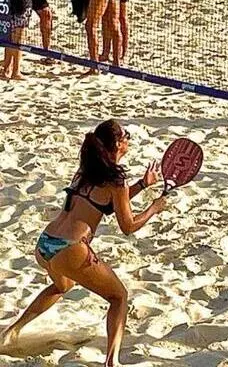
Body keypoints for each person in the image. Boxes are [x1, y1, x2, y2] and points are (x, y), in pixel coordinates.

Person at [0, 120, 167, 367]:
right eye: (127, 136)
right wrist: (154, 208)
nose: (129, 140)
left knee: (62, 286)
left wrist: (142, 184)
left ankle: (11, 332)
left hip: (45, 244)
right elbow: (128, 226)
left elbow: (108, 203)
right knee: (119, 297)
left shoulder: (85, 171)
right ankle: (112, 361)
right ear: (117, 144)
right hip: (71, 248)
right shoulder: (116, 180)